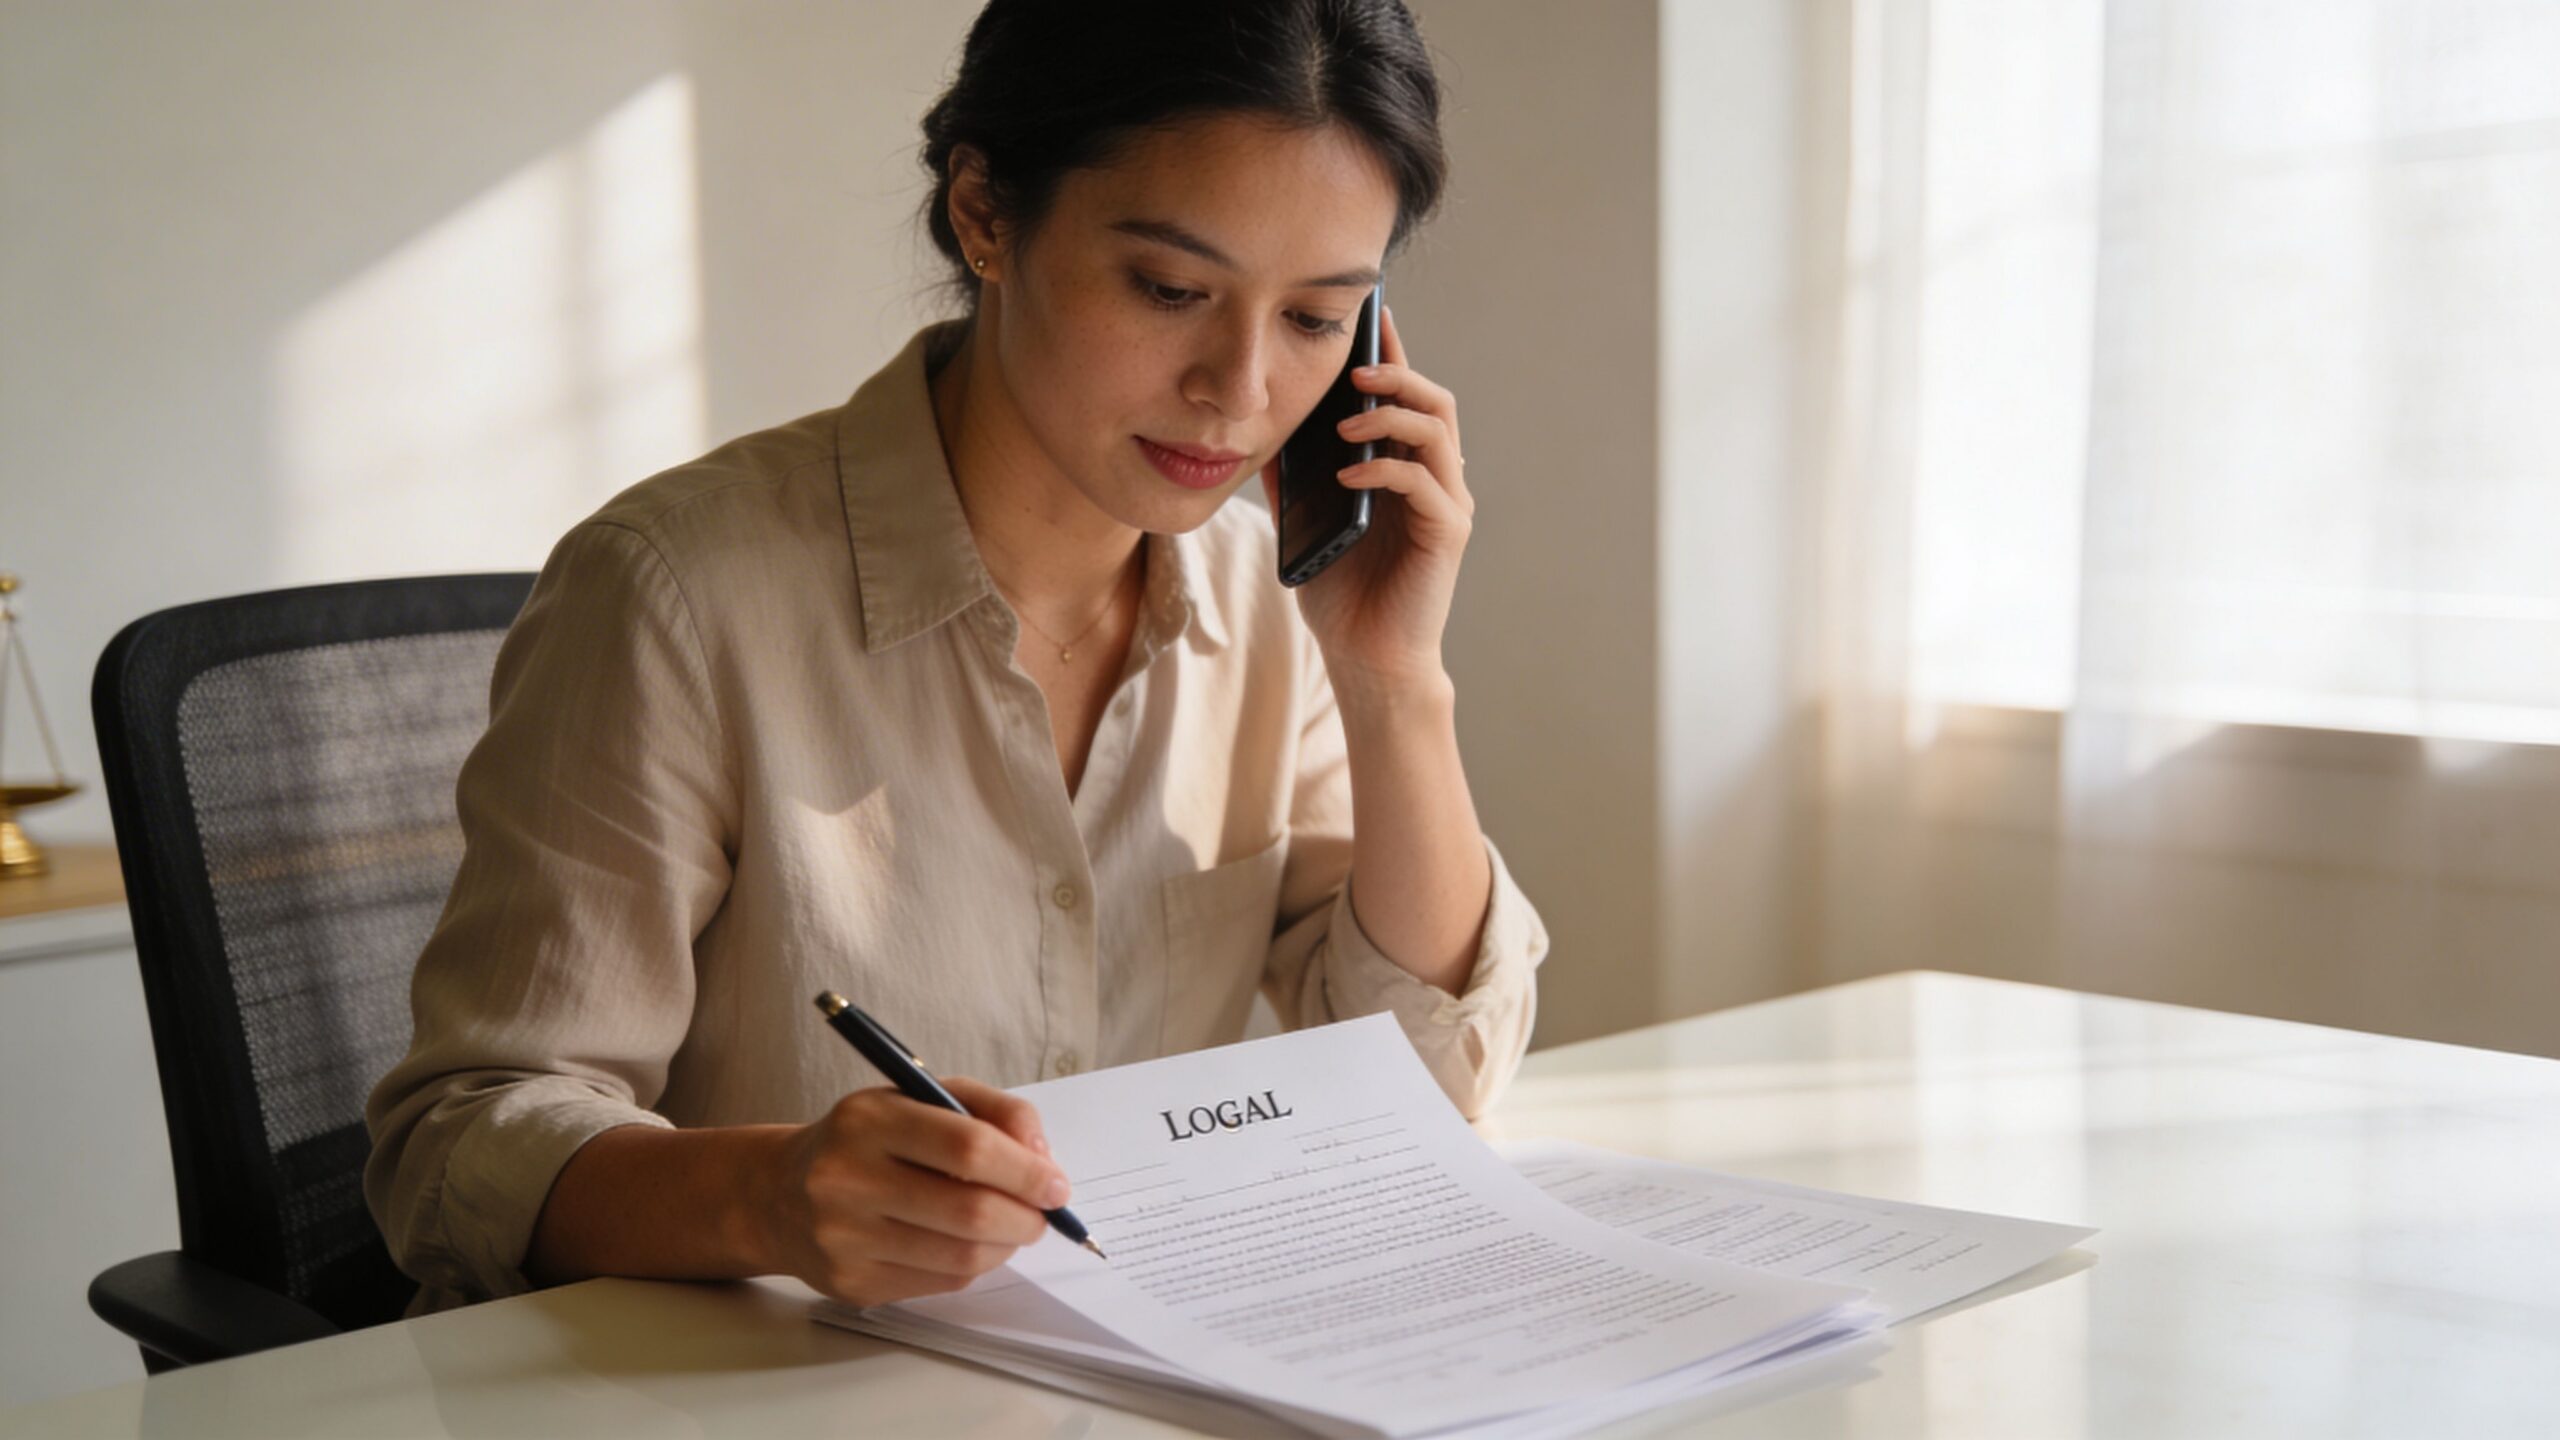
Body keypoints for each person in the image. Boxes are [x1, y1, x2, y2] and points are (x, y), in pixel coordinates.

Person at [364, 0, 1546, 1317]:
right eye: (1171, 291)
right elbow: (457, 1144)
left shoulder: (1271, 600)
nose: (1240, 385)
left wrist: (1394, 680)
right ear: (984, 212)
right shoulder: (677, 591)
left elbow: (1431, 1083)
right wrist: (770, 1199)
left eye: (1320, 318)